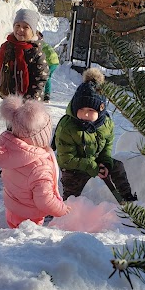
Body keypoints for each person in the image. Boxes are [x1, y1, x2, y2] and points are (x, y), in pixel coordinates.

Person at [53, 68, 137, 203]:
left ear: (101, 111)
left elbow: (107, 146)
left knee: (117, 166)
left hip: (95, 160)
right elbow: (66, 159)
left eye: (91, 110)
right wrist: (92, 167)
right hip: (74, 166)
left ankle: (127, 198)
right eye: (82, 110)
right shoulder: (68, 127)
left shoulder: (106, 124)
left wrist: (105, 162)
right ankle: (66, 205)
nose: (86, 114)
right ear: (75, 108)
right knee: (71, 188)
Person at [0, 95, 70, 229]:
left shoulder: (12, 152)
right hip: (30, 216)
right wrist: (62, 210)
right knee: (26, 241)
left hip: (13, 207)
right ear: (41, 136)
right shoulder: (40, 167)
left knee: (14, 233)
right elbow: (45, 200)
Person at [0, 9, 49, 101]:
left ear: (33, 31)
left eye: (26, 27)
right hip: (9, 100)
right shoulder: (6, 47)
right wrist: (0, 89)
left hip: (30, 104)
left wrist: (29, 100)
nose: (20, 29)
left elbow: (41, 78)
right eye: (17, 25)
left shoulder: (35, 52)